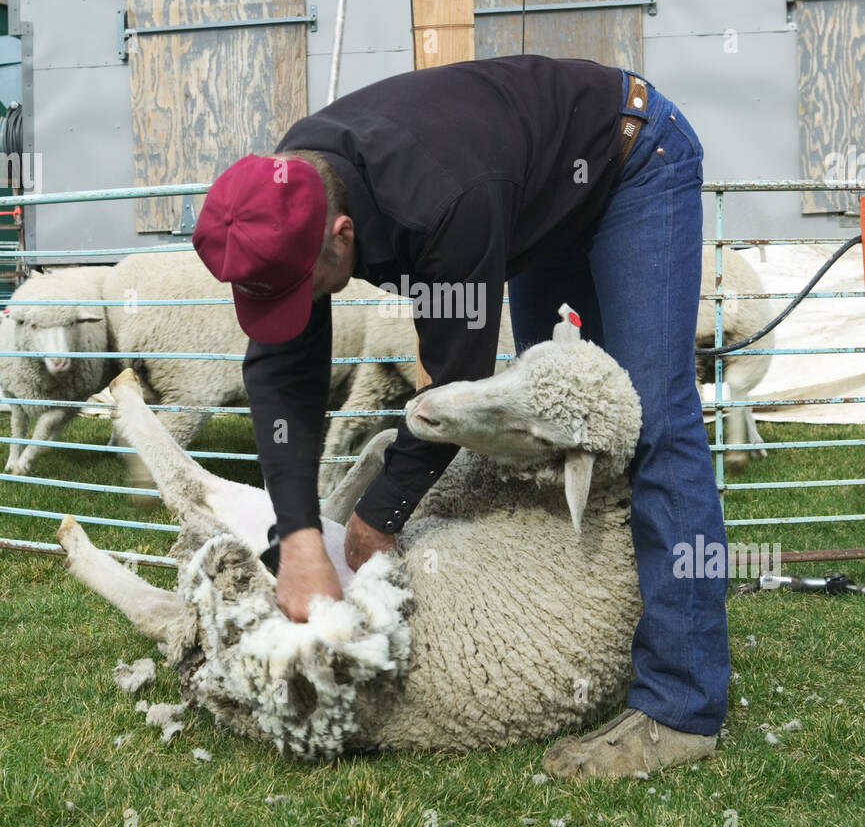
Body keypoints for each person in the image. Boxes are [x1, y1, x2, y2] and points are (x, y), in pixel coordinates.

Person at [192, 55, 728, 779]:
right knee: (546, 445)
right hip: (532, 199)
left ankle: (680, 703)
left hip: (628, 158)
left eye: (300, 287)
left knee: (645, 417)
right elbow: (283, 372)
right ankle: (582, 633)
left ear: (342, 232)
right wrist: (295, 537)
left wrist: (376, 518)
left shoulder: (441, 200)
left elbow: (452, 386)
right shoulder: (288, 191)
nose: (296, 305)